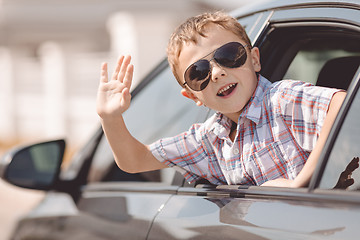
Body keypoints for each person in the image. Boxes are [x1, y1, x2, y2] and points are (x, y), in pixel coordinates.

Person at [96, 11, 346, 187]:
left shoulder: (281, 99)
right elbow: (134, 160)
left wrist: (302, 183)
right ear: (193, 96)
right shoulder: (209, 140)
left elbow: (340, 103)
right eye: (198, 73)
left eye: (228, 55)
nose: (217, 73)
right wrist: (111, 117)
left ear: (255, 59)